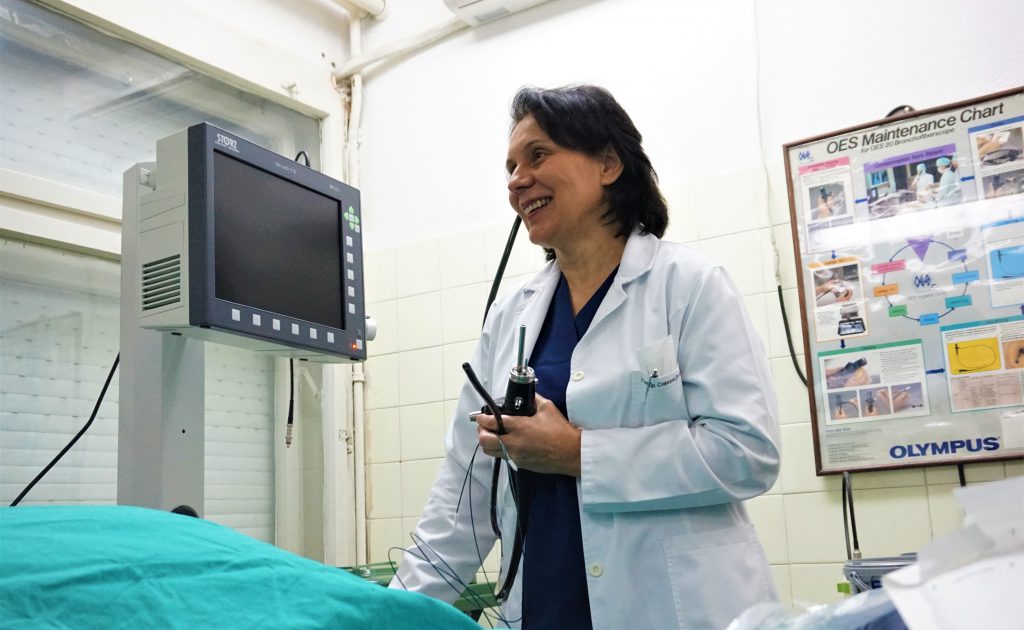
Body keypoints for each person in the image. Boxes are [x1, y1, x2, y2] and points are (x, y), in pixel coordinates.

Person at [390, 85, 780, 629]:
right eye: (511, 167)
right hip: (544, 610)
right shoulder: (510, 316)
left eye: (538, 155)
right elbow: (464, 492)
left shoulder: (690, 286)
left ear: (608, 164)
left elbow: (747, 451)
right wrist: (386, 613)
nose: (516, 180)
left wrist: (577, 452)